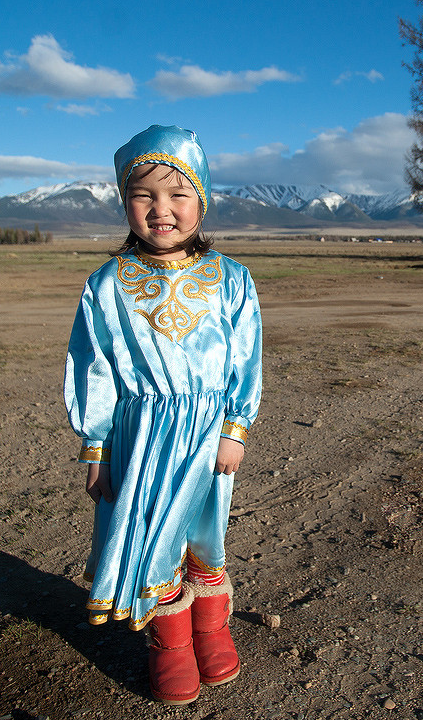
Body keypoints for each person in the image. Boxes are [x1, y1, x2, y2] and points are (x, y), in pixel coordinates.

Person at [64, 125, 262, 705]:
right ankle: (170, 647)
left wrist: (235, 428)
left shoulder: (231, 278)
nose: (162, 210)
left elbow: (245, 357)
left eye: (178, 195)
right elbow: (93, 368)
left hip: (207, 436)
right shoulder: (105, 286)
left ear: (202, 200)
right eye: (144, 195)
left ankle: (211, 628)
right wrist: (97, 448)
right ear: (124, 202)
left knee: (205, 535)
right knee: (155, 537)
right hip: (140, 436)